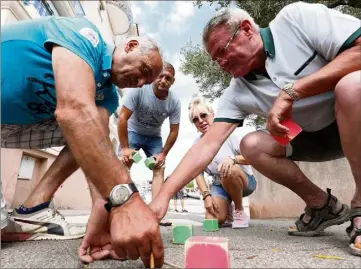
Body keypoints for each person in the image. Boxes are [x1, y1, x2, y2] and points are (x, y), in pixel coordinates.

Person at [149, 2, 361, 257]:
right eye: (215, 60)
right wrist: (162, 197)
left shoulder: (296, 20)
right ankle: (322, 205)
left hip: (352, 116)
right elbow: (206, 145)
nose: (220, 63)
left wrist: (293, 91)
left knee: (353, 86)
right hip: (310, 137)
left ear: (247, 29)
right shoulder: (236, 92)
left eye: (222, 52)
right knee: (251, 144)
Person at [1, 16, 166, 267]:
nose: (141, 83)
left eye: (146, 82)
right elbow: (74, 110)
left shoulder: (108, 98)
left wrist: (103, 210)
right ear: (130, 46)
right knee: (81, 118)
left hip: (11, 123)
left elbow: (91, 138)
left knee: (92, 128)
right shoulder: (83, 34)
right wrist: (126, 202)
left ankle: (34, 209)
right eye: (144, 71)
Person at [117, 62, 181, 226]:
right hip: (133, 132)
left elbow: (174, 131)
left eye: (168, 78)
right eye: (161, 75)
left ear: (173, 82)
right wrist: (124, 148)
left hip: (154, 137)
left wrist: (163, 154)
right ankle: (121, 210)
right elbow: (122, 118)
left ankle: (156, 212)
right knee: (124, 163)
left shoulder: (174, 101)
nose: (163, 80)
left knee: (159, 167)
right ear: (155, 76)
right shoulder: (139, 90)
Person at [189, 97, 256, 228]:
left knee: (227, 168)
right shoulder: (197, 144)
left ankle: (239, 210)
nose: (201, 121)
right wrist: (206, 196)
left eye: (203, 115)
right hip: (220, 185)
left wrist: (233, 159)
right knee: (212, 220)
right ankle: (227, 210)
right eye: (195, 119)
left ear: (213, 115)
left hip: (244, 181)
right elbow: (197, 173)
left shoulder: (228, 135)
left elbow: (252, 157)